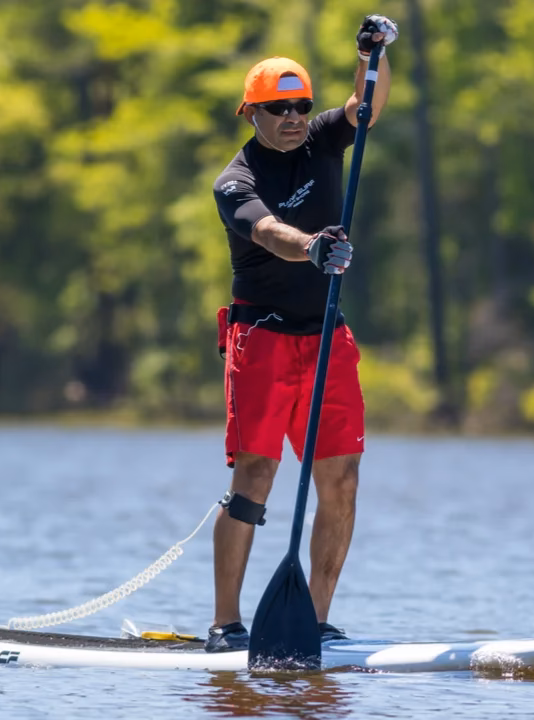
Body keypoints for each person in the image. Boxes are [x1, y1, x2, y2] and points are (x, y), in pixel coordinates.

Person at [206, 15, 398, 653]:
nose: (293, 117)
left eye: (301, 106)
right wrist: (313, 247)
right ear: (250, 113)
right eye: (278, 108)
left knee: (341, 479)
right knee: (256, 477)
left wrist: (370, 55)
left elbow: (366, 106)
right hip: (261, 341)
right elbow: (267, 233)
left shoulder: (322, 140)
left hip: (326, 339)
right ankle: (226, 625)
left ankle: (313, 622)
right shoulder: (235, 181)